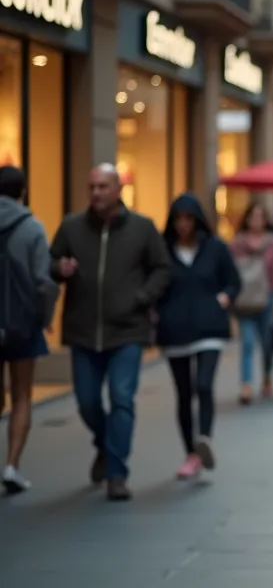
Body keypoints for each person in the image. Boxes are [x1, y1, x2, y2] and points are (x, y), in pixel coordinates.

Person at [49, 164, 171, 501]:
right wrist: (59, 268)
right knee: (87, 401)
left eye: (103, 186)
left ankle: (117, 474)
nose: (96, 193)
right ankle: (106, 444)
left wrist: (142, 297)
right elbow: (50, 261)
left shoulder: (142, 228)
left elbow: (162, 268)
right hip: (83, 329)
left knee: (121, 398)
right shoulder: (72, 227)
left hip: (127, 330)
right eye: (92, 187)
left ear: (119, 189)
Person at [154, 194, 241, 480]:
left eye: (188, 218)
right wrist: (155, 310)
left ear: (197, 220)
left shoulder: (215, 247)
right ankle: (190, 454)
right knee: (183, 393)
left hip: (209, 327)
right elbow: (153, 284)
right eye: (178, 218)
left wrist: (226, 297)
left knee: (204, 384)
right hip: (175, 331)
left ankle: (203, 440)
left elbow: (233, 280)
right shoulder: (163, 251)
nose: (183, 224)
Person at [0, 167, 58, 494]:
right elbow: (44, 281)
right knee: (22, 394)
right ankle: (11, 465)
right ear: (22, 192)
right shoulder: (32, 227)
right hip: (22, 323)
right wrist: (46, 316)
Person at [229, 203, 273, 401]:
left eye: (260, 217)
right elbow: (230, 272)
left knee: (267, 342)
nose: (256, 221)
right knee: (246, 342)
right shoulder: (237, 243)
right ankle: (246, 384)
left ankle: (267, 376)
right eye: (252, 216)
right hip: (244, 300)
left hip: (267, 298)